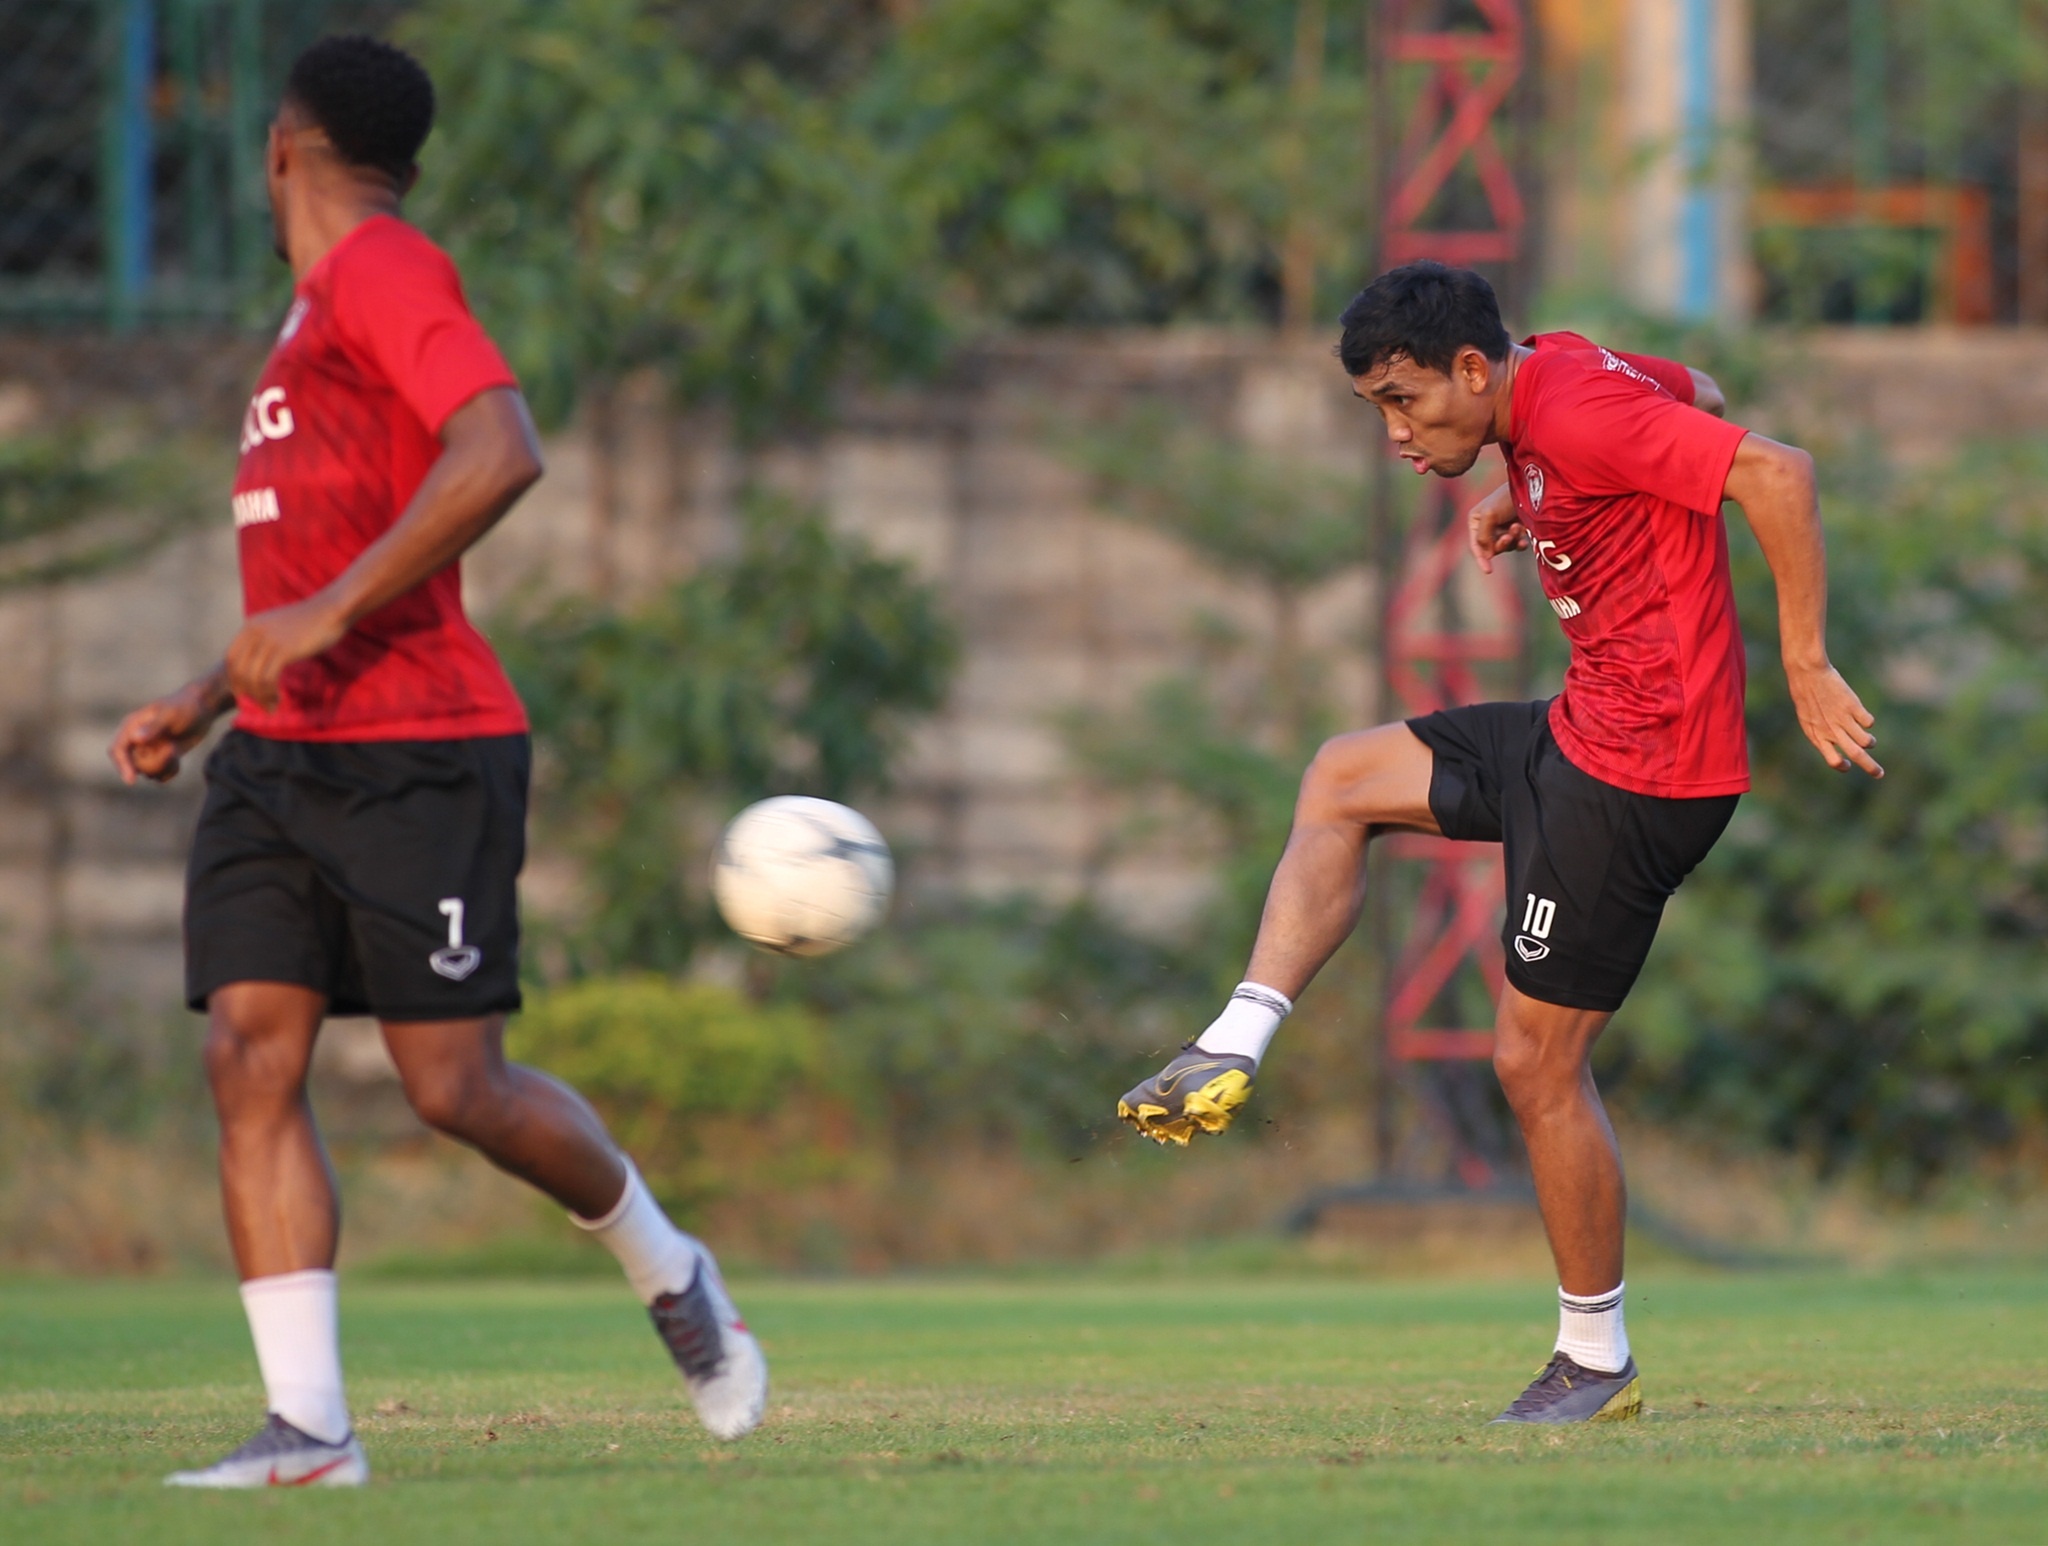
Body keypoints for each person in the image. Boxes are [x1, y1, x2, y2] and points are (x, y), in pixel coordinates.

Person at [110, 36, 765, 1488]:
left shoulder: (382, 269)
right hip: (279, 756)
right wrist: (208, 693)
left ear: (283, 147)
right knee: (246, 1052)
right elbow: (311, 570)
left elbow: (502, 444)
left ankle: (674, 1274)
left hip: (421, 745)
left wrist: (330, 612)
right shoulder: (303, 324)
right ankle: (310, 1431)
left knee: (455, 1092)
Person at [1117, 261, 1882, 1424]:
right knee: (1340, 777)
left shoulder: (1575, 405)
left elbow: (1775, 470)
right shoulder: (1559, 375)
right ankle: (1232, 1040)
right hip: (1579, 733)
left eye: (1403, 400)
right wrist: (1536, 491)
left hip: (1644, 772)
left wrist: (1803, 660)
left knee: (1531, 1065)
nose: (1394, 431)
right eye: (1376, 405)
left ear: (1473, 369)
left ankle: (1594, 1356)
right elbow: (1708, 392)